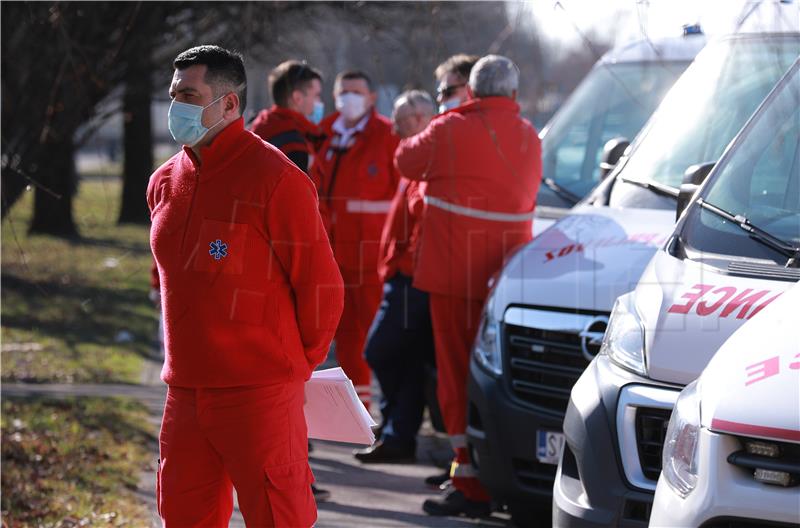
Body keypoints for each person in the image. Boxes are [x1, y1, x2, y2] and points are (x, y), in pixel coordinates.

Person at [148, 45, 344, 527]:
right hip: (186, 394)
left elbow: (322, 288)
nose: (178, 106)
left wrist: (291, 367)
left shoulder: (277, 180)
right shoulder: (164, 181)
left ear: (230, 104)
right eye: (175, 95)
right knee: (182, 516)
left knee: (279, 516)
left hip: (258, 394)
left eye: (190, 95)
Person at [395, 55, 542, 517]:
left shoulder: (448, 129)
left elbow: (405, 160)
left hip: (452, 276)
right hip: (504, 278)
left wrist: (448, 113)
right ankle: (494, 476)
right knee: (494, 380)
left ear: (472, 94)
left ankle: (471, 483)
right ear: (514, 96)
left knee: (455, 379)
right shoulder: (529, 137)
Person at [249, 59, 332, 502]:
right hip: (280, 275)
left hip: (252, 271)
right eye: (316, 96)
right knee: (288, 380)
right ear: (297, 97)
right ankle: (296, 479)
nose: (320, 105)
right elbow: (295, 220)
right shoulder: (292, 143)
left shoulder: (259, 128)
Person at [353, 90, 436, 464]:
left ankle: (397, 430)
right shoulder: (414, 158)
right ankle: (396, 434)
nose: (396, 128)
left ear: (420, 120)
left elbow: (423, 224)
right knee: (403, 359)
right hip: (402, 276)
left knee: (381, 351)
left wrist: (404, 265)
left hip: (410, 281)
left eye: (401, 121)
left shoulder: (427, 162)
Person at [311, 70, 400, 410]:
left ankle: (383, 409)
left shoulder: (387, 135)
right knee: (342, 338)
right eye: (343, 91)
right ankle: (354, 411)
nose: (349, 98)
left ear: (372, 97)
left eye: (356, 92)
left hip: (373, 257)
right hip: (331, 254)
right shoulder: (323, 134)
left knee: (374, 339)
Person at [250, 60, 325, 173]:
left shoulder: (257, 125)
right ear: (297, 98)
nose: (320, 102)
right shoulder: (294, 147)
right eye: (317, 95)